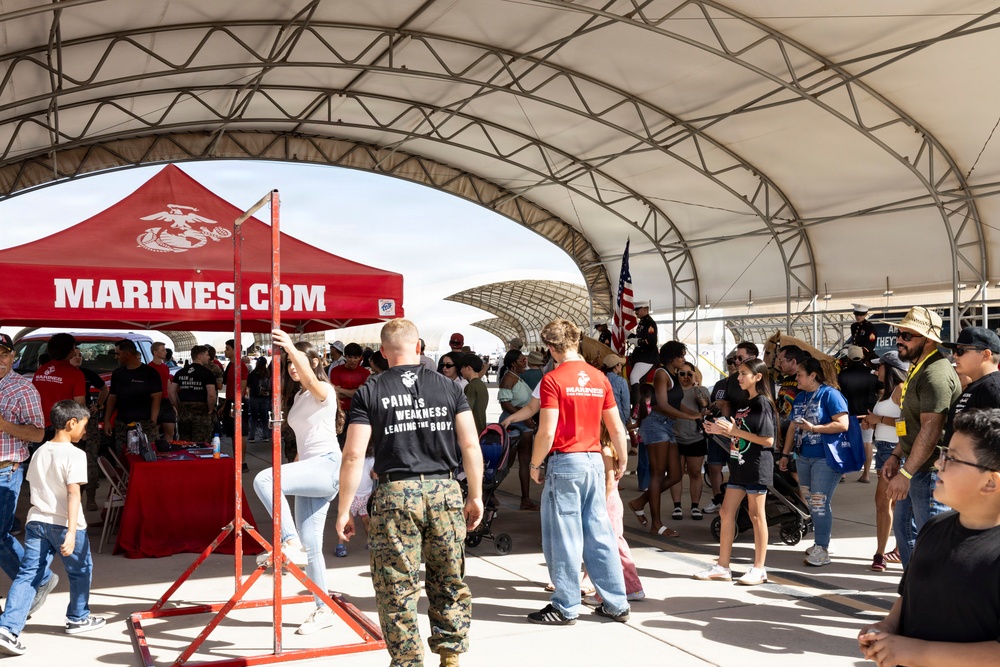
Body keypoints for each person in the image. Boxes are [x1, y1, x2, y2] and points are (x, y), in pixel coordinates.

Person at [336, 318, 483, 667]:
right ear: (419, 348)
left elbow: (354, 454)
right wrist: (474, 494)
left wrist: (344, 509)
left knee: (396, 587)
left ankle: (408, 661)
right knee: (448, 578)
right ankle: (450, 656)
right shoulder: (450, 388)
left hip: (395, 495)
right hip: (445, 491)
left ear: (384, 353)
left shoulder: (369, 391)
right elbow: (470, 444)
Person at [857, 409, 1000, 667]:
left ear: (990, 483)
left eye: (952, 459)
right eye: (943, 454)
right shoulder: (934, 528)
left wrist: (917, 652)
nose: (937, 464)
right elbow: (907, 597)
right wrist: (887, 626)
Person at [526, 319, 630, 626]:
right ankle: (616, 602)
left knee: (564, 536)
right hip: (594, 461)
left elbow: (546, 431)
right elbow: (616, 425)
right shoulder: (599, 378)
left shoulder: (553, 379)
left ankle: (566, 605)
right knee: (599, 533)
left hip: (565, 461)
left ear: (551, 347)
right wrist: (622, 459)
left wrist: (534, 464)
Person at [252, 331, 342, 636]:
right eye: (289, 363)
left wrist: (291, 347)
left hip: (327, 466)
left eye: (299, 362)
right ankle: (323, 609)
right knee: (313, 547)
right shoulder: (301, 396)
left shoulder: (323, 389)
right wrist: (299, 460)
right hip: (310, 467)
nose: (293, 366)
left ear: (314, 362)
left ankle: (288, 542)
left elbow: (307, 375)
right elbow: (307, 436)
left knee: (265, 479)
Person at [0, 401, 105, 657]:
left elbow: (34, 486)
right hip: (65, 524)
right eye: (84, 425)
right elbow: (73, 494)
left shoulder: (40, 451)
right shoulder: (75, 455)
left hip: (37, 521)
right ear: (71, 423)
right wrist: (71, 531)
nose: (85, 431)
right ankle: (78, 618)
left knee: (28, 575)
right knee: (80, 571)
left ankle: (8, 629)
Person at [884, 306, 960, 569]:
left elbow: (931, 429)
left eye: (908, 335)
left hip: (929, 472)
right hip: (917, 468)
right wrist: (896, 455)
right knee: (906, 535)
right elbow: (912, 425)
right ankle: (914, 592)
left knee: (933, 543)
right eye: (899, 333)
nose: (899, 340)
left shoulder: (935, 373)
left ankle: (934, 602)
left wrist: (905, 474)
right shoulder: (918, 368)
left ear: (928, 341)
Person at [695, 358, 778, 585]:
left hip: (757, 465)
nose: (739, 377)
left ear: (758, 377)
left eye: (744, 373)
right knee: (725, 512)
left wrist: (733, 431)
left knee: (756, 515)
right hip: (740, 465)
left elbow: (768, 440)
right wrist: (720, 431)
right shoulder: (745, 403)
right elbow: (740, 434)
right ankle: (723, 566)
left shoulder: (762, 403)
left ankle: (759, 568)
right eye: (738, 373)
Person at [0, 333, 58, 617]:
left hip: (5, 471)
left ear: (12, 357)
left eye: (3, 354)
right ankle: (39, 580)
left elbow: (37, 433)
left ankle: (39, 580)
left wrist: (3, 424)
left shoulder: (23, 389)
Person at [778, 357, 849, 566]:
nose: (796, 377)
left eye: (800, 374)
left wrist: (814, 428)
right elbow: (792, 426)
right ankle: (822, 541)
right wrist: (785, 453)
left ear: (813, 375)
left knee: (819, 502)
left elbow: (843, 424)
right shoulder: (800, 397)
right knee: (812, 501)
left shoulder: (830, 395)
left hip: (825, 458)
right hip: (803, 457)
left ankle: (822, 548)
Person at [627, 341, 701, 537]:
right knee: (658, 475)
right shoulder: (661, 374)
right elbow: (663, 404)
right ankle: (656, 524)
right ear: (671, 357)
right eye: (681, 356)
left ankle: (640, 502)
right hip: (656, 425)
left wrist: (698, 413)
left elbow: (676, 404)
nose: (683, 359)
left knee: (676, 475)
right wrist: (690, 417)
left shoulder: (673, 375)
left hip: (667, 427)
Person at [860, 351, 908, 572]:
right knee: (893, 503)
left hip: (894, 451)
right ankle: (896, 550)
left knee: (884, 503)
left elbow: (906, 425)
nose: (875, 370)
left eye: (879, 367)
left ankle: (881, 554)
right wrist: (873, 423)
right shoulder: (887, 392)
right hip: (884, 449)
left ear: (889, 369)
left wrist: (878, 420)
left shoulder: (900, 390)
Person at [941, 326, 1000, 446]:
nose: (955, 356)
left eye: (961, 351)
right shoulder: (978, 386)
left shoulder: (993, 388)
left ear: (985, 355)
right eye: (954, 351)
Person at [498, 349, 538, 510]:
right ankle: (487, 492)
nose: (525, 362)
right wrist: (523, 417)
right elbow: (505, 403)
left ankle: (525, 499)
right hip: (514, 425)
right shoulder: (508, 379)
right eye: (522, 360)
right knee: (506, 463)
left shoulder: (516, 377)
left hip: (523, 425)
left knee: (524, 462)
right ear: (513, 363)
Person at [103, 339, 162, 450]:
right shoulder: (118, 373)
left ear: (127, 354)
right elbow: (112, 397)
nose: (116, 357)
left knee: (147, 455)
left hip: (144, 424)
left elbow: (156, 399)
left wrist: (152, 422)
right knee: (122, 457)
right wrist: (107, 421)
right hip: (122, 424)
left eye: (118, 354)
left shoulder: (150, 373)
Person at [68, 347, 107, 512]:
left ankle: (90, 497)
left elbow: (104, 389)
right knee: (68, 463)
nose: (78, 358)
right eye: (74, 355)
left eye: (80, 355)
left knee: (90, 460)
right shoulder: (62, 374)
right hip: (67, 422)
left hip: (87, 422)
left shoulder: (87, 374)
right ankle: (70, 500)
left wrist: (98, 405)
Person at [671, 361, 710, 520]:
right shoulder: (672, 392)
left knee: (695, 473)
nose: (685, 377)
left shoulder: (700, 390)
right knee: (676, 474)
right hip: (675, 437)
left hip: (696, 438)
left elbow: (704, 404)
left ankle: (695, 506)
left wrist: (695, 384)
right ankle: (677, 506)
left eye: (689, 373)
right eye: (682, 373)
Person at [31, 333, 85, 441]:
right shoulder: (76, 374)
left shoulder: (40, 371)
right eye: (74, 348)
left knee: (41, 457)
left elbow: (33, 397)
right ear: (70, 351)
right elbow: (80, 405)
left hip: (39, 425)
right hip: (64, 428)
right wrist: (82, 428)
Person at [838, 345, 878, 483]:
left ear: (848, 358)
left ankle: (843, 473)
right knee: (867, 443)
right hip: (867, 415)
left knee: (845, 443)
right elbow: (882, 389)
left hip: (848, 415)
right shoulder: (871, 374)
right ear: (862, 357)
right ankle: (866, 474)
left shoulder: (842, 375)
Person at [169, 345, 218, 443]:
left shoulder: (181, 372)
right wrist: (210, 409)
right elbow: (211, 395)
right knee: (201, 443)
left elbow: (171, 391)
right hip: (202, 411)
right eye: (207, 355)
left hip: (184, 411)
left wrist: (178, 406)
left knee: (184, 442)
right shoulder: (207, 373)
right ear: (200, 356)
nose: (209, 357)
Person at [329, 342, 370, 447]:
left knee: (356, 443)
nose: (352, 360)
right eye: (350, 357)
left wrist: (341, 390)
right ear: (345, 356)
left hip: (358, 413)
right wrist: (355, 392)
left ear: (360, 357)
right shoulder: (335, 371)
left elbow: (361, 395)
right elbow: (335, 394)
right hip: (340, 412)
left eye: (355, 357)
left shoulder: (365, 373)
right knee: (338, 442)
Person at [149, 341, 176, 441]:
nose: (165, 352)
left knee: (170, 432)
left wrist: (172, 404)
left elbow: (168, 386)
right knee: (153, 432)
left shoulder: (165, 367)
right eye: (163, 350)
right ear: (155, 352)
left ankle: (168, 451)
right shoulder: (149, 368)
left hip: (166, 401)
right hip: (153, 402)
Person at [628, 302, 658, 384]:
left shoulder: (650, 323)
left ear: (645, 309)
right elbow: (640, 337)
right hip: (639, 355)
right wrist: (626, 333)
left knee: (634, 377)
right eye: (635, 310)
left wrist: (637, 342)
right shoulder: (642, 322)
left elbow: (652, 341)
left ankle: (636, 397)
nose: (635, 312)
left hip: (647, 356)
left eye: (637, 310)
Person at [460, 354, 488, 434]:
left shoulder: (471, 386)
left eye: (462, 367)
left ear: (468, 368)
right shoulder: (481, 384)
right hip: (481, 425)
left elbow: (466, 410)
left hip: (473, 428)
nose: (461, 370)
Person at [246, 357, 271, 442]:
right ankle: (265, 436)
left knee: (254, 417)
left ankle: (252, 436)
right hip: (265, 397)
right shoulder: (268, 373)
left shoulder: (253, 373)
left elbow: (248, 384)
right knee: (265, 416)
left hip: (254, 397)